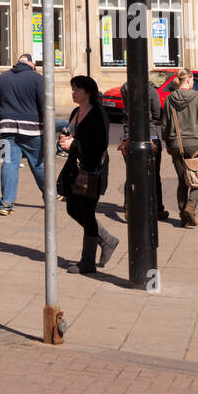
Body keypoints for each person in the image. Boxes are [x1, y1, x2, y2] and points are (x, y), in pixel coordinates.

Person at [58, 75, 118, 274]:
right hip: (75, 168)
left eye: (77, 89)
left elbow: (99, 144)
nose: (73, 92)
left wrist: (74, 144)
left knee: (87, 211)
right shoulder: (76, 111)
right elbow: (73, 134)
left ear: (88, 92)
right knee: (73, 208)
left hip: (93, 170)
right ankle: (107, 240)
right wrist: (65, 139)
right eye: (73, 89)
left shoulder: (98, 114)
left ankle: (88, 262)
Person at [0, 52, 45, 216]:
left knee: (8, 163)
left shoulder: (2, 77)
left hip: (7, 128)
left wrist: (4, 111)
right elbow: (44, 104)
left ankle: (6, 203)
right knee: (38, 164)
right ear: (32, 64)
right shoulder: (37, 78)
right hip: (33, 129)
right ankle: (51, 194)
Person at [162, 67, 198, 228]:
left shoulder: (169, 99)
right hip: (195, 144)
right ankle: (191, 206)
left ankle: (184, 218)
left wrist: (168, 143)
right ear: (189, 80)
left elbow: (164, 125)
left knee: (183, 180)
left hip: (176, 144)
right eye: (192, 80)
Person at [118, 79, 169, 222]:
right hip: (150, 135)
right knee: (153, 174)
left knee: (132, 174)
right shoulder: (151, 90)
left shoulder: (125, 88)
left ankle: (129, 205)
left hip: (128, 135)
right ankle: (157, 208)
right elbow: (157, 113)